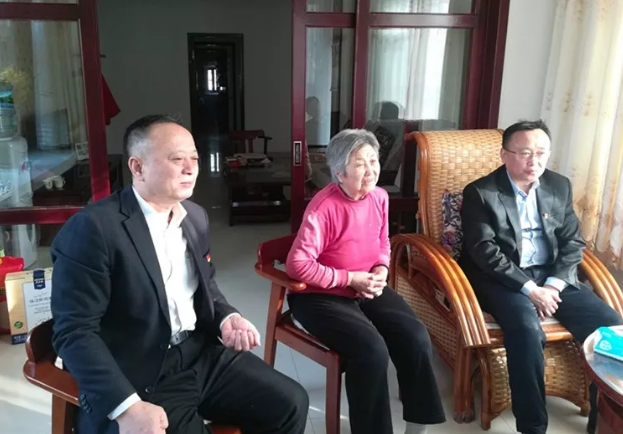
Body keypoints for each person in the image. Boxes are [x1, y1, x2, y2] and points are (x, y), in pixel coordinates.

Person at [50, 114, 309, 434]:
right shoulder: (94, 229)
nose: (190, 168)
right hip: (141, 371)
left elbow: (205, 284)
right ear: (137, 167)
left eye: (194, 159)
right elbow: (74, 332)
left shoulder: (195, 217)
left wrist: (227, 317)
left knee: (290, 403)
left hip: (200, 353)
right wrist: (127, 407)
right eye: (176, 159)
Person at [458, 119, 622, 434]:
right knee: (526, 330)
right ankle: (532, 426)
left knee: (610, 325)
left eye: (541, 152)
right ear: (505, 154)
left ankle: (600, 422)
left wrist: (553, 286)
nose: (534, 161)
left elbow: (573, 243)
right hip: (503, 278)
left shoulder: (559, 185)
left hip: (552, 276)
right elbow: (485, 253)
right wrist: (531, 290)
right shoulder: (481, 192)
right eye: (524, 153)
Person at [285, 129, 446, 434]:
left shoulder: (379, 197)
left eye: (373, 161)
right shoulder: (323, 207)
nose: (370, 170)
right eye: (359, 164)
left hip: (366, 284)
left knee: (415, 336)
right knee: (371, 351)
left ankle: (417, 427)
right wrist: (350, 278)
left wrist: (382, 269)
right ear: (339, 173)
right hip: (320, 295)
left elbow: (382, 242)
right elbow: (298, 265)